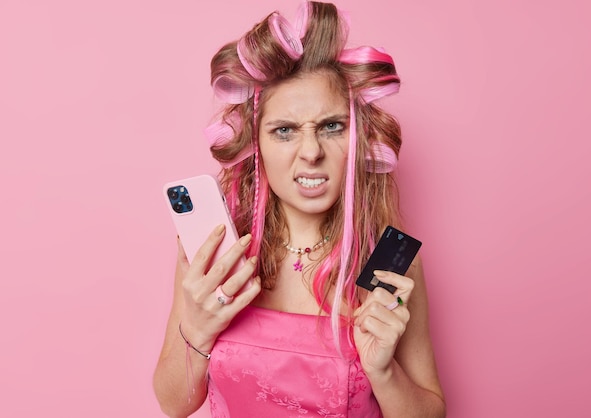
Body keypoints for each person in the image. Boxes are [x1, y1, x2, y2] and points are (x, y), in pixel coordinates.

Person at [153, 1, 445, 417]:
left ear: (357, 137)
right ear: (257, 145)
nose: (311, 152)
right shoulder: (216, 256)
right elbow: (173, 403)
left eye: (331, 126)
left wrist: (384, 372)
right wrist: (197, 331)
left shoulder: (386, 262)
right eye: (284, 131)